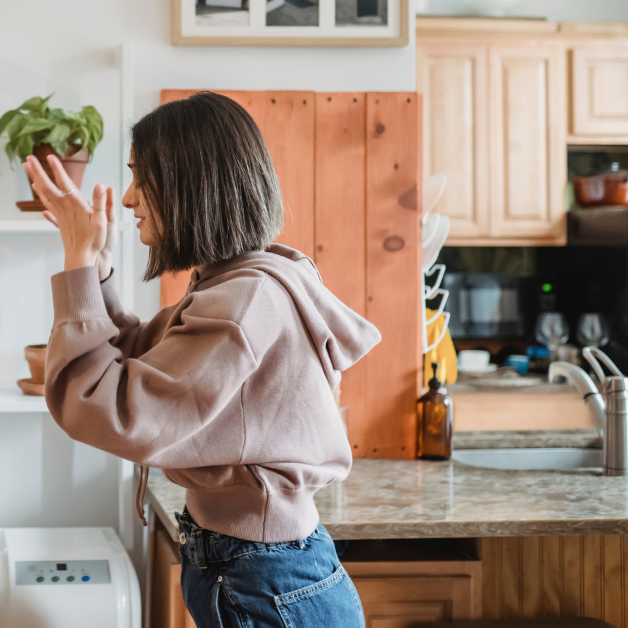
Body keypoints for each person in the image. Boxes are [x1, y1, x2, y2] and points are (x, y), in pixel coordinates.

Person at [24, 91, 380, 628]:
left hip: (263, 580)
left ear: (190, 183)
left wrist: (76, 266)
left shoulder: (244, 301)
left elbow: (103, 405)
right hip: (263, 572)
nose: (127, 198)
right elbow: (144, 355)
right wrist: (95, 269)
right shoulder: (240, 285)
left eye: (141, 177)